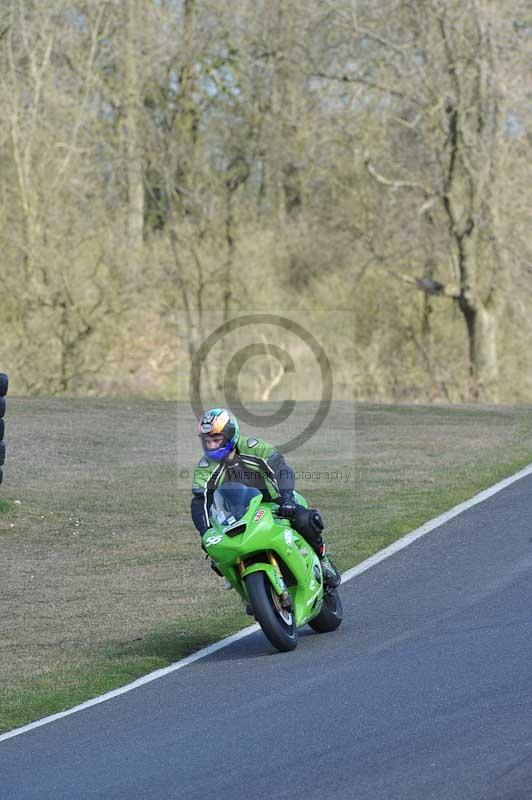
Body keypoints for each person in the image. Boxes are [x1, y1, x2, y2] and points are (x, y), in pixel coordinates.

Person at [190, 407, 341, 588]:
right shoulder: (206, 466)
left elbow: (282, 470)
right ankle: (245, 590)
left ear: (230, 435)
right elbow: (200, 500)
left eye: (216, 439)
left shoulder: (254, 448)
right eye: (207, 441)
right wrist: (206, 531)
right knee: (216, 552)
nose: (212, 446)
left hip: (276, 503)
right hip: (236, 515)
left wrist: (286, 499)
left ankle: (323, 561)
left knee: (306, 519)